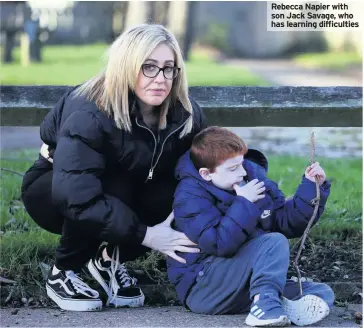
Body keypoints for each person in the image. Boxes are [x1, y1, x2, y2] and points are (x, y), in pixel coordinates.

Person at [21, 24, 207, 312]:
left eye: (168, 68)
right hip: (55, 190)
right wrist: (148, 235)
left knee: (178, 192)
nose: (160, 79)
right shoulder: (89, 110)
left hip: (123, 188)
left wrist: (245, 181)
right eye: (149, 67)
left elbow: (206, 165)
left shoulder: (185, 115)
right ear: (127, 66)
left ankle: (107, 260)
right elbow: (77, 195)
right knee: (112, 187)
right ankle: (63, 271)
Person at [167, 126, 335, 327]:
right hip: (204, 287)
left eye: (241, 163)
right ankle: (264, 308)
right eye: (232, 168)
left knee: (320, 292)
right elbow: (220, 244)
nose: (242, 172)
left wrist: (311, 187)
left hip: (241, 284)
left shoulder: (250, 177)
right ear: (206, 174)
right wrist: (245, 203)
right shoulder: (189, 196)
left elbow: (285, 221)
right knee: (273, 242)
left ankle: (266, 301)